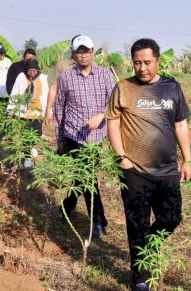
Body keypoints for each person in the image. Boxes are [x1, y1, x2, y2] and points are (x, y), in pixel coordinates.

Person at [106, 38, 191, 290]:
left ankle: (147, 248)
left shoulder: (171, 87)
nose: (142, 68)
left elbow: (180, 123)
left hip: (167, 170)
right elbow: (113, 121)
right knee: (137, 224)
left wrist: (187, 159)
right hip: (135, 171)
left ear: (158, 60)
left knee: (171, 218)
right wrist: (121, 157)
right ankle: (140, 279)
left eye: (147, 62)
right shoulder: (124, 87)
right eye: (136, 63)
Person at [54, 35, 115, 237]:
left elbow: (115, 103)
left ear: (93, 52)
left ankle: (67, 206)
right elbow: (59, 109)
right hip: (74, 136)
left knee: (82, 177)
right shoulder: (66, 77)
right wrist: (60, 138)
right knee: (88, 177)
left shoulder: (105, 76)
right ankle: (99, 221)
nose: (83, 55)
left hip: (97, 137)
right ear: (73, 53)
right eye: (79, 51)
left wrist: (101, 115)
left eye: (87, 51)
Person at [7, 59, 49, 168]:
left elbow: (47, 94)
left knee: (37, 134)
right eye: (30, 70)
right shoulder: (21, 77)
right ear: (26, 70)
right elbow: (15, 92)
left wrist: (49, 112)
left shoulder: (42, 78)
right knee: (26, 137)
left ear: (37, 70)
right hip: (24, 112)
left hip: (38, 112)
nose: (32, 73)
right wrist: (11, 109)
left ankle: (32, 147)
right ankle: (27, 159)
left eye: (34, 70)